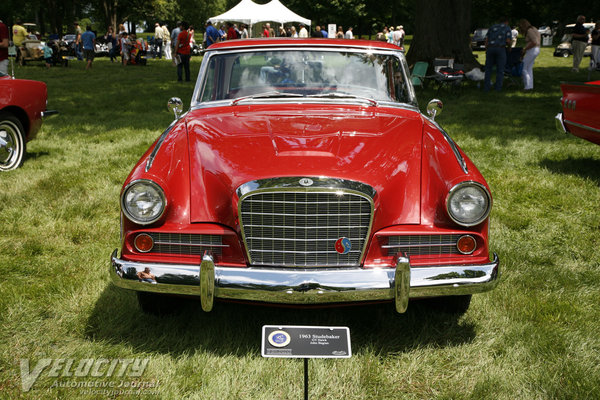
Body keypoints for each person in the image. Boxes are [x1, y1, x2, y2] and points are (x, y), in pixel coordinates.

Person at [483, 17, 511, 92]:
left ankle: (486, 88)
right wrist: (509, 48)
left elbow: (486, 39)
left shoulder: (492, 27)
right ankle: (498, 88)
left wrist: (486, 49)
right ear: (506, 22)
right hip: (500, 48)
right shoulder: (507, 28)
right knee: (500, 69)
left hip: (490, 48)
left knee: (488, 69)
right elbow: (508, 41)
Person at [518, 19, 540, 91]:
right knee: (529, 68)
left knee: (523, 68)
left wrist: (525, 49)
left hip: (532, 50)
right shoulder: (534, 29)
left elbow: (534, 42)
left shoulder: (529, 31)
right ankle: (530, 86)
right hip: (536, 49)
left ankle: (527, 86)